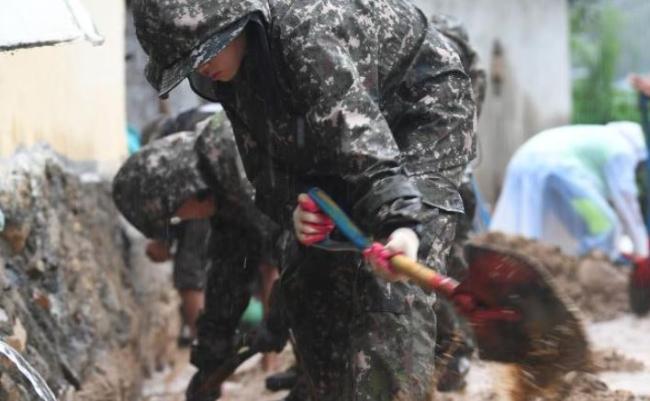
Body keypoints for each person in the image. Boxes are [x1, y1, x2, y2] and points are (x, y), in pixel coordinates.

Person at [132, 0, 476, 399]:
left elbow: (358, 137)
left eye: (205, 51)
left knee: (389, 293)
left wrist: (400, 223)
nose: (201, 67)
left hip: (418, 113)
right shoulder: (233, 75)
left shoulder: (305, 33)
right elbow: (267, 172)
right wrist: (295, 208)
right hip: (348, 138)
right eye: (188, 63)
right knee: (309, 281)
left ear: (236, 22)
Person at [112, 115, 302, 398]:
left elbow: (301, 257)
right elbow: (228, 276)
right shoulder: (220, 191)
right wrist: (211, 363)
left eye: (175, 216)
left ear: (182, 192)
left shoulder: (242, 164)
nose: (184, 221)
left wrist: (276, 321)